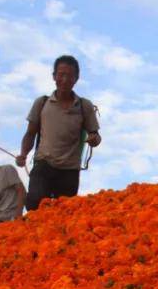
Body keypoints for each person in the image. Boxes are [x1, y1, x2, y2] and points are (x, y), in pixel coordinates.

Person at [17, 55, 101, 211]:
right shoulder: (41, 103)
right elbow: (30, 134)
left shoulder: (84, 106)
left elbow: (95, 134)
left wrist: (94, 138)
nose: (65, 79)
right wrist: (23, 154)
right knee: (35, 205)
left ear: (76, 79)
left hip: (69, 171)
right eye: (61, 74)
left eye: (70, 76)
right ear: (54, 76)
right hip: (44, 165)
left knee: (65, 213)